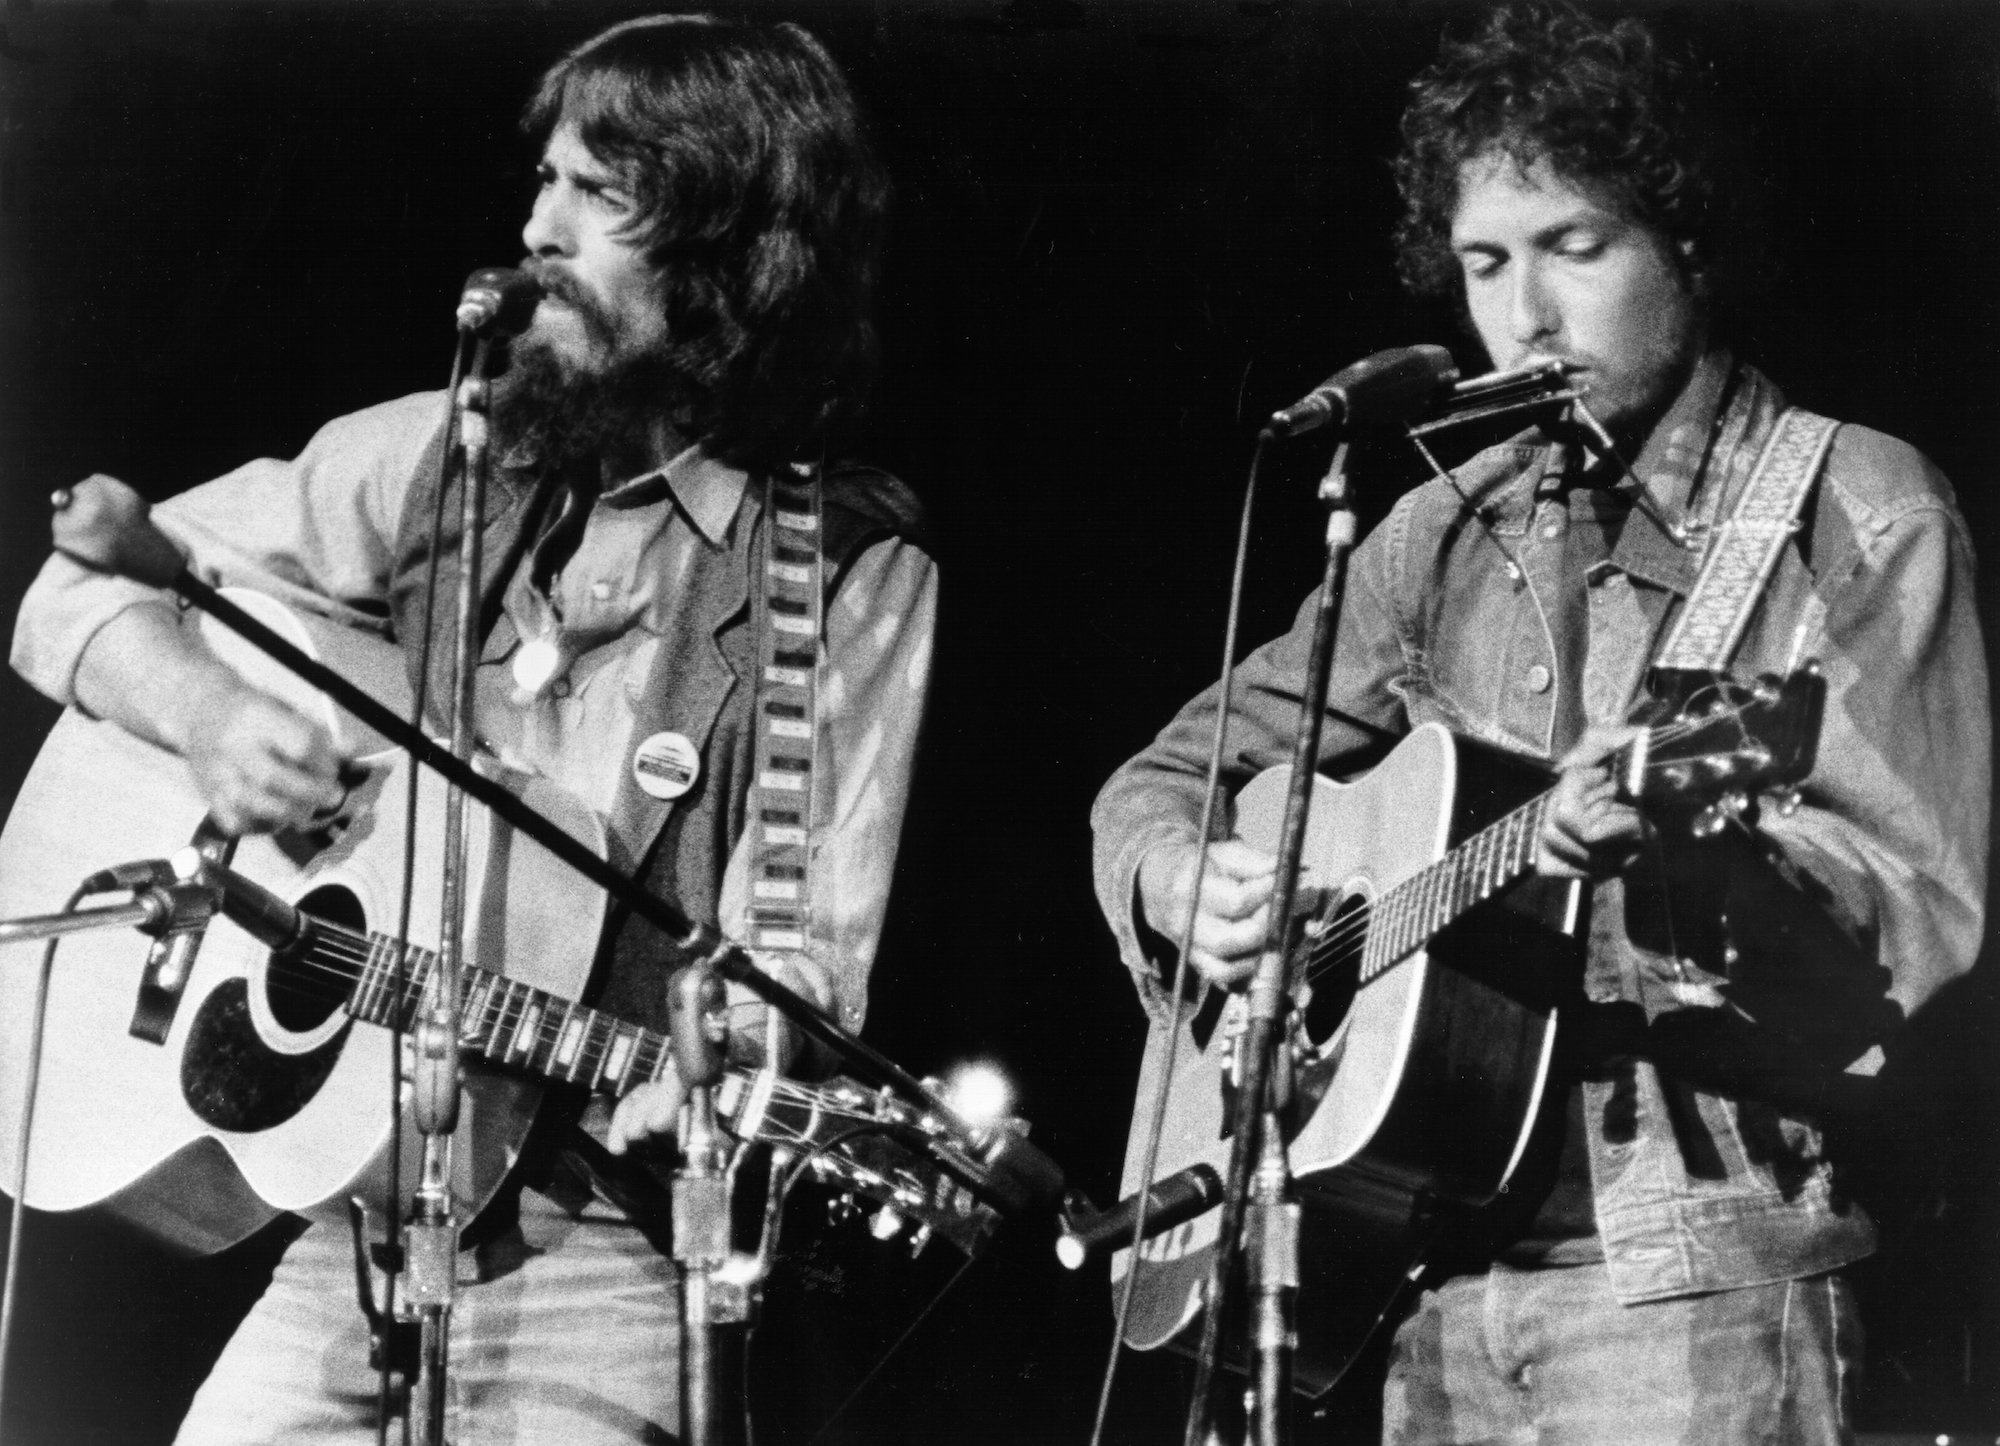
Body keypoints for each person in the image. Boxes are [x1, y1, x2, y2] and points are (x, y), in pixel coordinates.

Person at [11, 14, 933, 1445]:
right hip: (367, 1220)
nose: (533, 229)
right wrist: (210, 716)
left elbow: (805, 961)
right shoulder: (446, 453)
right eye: (544, 180)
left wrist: (720, 1065)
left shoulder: (843, 568)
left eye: (596, 193)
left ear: (731, 252)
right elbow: (71, 592)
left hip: (614, 1249)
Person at [1090, 3, 1987, 1441]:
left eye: (1576, 247)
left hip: (1693, 1291)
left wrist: (1673, 866)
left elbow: (1911, 923)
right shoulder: (1438, 530)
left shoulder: (1852, 507)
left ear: (1683, 242)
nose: (1526, 314)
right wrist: (1172, 874)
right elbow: (1171, 773)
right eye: (1484, 264)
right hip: (1424, 1280)